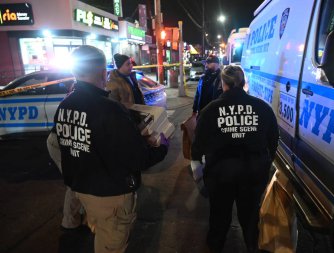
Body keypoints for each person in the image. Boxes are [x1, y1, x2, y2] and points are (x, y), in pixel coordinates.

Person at [50, 45, 169, 253]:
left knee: (102, 232)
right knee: (111, 244)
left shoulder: (65, 105)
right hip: (111, 194)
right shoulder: (109, 109)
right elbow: (138, 159)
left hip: (83, 188)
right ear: (103, 72)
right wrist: (162, 146)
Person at [191, 65, 279, 253]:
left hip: (220, 174)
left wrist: (197, 164)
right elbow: (273, 140)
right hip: (253, 173)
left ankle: (216, 245)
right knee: (250, 215)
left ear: (223, 84)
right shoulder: (262, 108)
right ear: (243, 82)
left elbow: (198, 143)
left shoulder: (210, 110)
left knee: (219, 215)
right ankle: (251, 245)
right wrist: (265, 162)